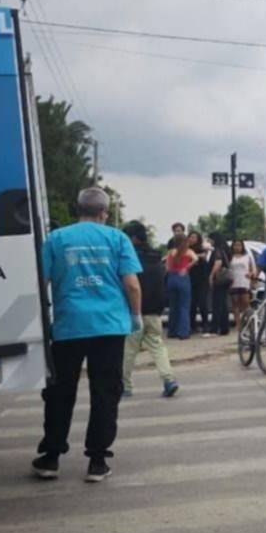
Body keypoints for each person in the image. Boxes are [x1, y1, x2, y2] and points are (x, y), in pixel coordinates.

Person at [31, 187, 142, 483]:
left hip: (68, 326)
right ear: (104, 213)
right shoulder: (117, 238)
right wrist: (135, 316)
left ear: (77, 209)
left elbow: (42, 282)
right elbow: (131, 284)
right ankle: (97, 460)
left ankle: (51, 457)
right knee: (105, 391)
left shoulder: (56, 239)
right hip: (109, 326)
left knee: (59, 391)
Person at [121, 221, 179, 398]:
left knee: (129, 350)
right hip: (154, 310)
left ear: (133, 238)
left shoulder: (130, 257)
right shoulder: (155, 257)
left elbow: (130, 286)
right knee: (158, 347)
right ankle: (168, 379)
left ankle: (126, 386)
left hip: (135, 310)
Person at [164, 233, 197, 340]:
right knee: (184, 306)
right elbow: (196, 259)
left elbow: (167, 268)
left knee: (173, 306)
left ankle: (171, 331)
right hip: (183, 277)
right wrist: (187, 267)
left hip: (172, 278)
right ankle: (183, 332)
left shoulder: (171, 252)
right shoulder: (188, 252)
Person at [228, 239, 258, 336]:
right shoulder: (230, 257)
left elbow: (253, 269)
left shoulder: (247, 257)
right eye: (235, 245)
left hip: (244, 282)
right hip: (233, 282)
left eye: (239, 245)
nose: (237, 247)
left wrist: (251, 276)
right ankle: (238, 325)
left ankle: (250, 323)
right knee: (235, 305)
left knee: (246, 304)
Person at [187, 231, 212, 335]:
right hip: (190, 279)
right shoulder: (186, 250)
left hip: (202, 280)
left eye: (194, 237)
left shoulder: (203, 249)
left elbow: (206, 259)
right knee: (191, 304)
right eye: (191, 237)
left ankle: (205, 324)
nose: (192, 239)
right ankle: (192, 325)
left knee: (202, 303)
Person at [207, 232, 232, 337]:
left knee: (217, 304)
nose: (209, 242)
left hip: (219, 279)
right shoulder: (225, 250)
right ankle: (224, 327)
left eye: (210, 239)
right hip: (225, 279)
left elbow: (218, 262)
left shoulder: (217, 250)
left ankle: (215, 328)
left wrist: (211, 275)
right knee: (223, 304)